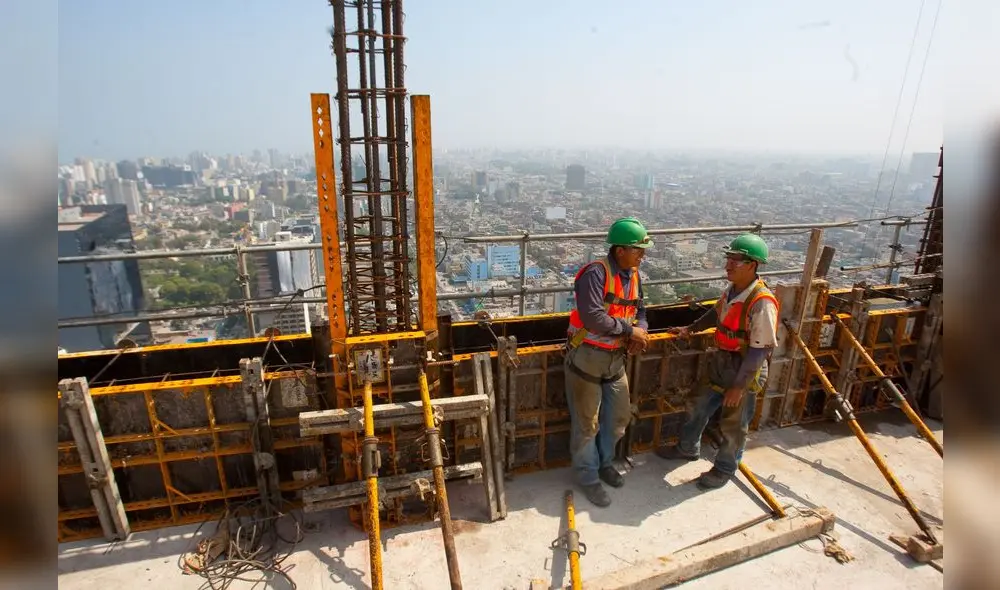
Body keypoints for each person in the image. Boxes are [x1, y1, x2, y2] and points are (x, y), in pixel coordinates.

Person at [655, 233, 779, 490]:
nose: (728, 265)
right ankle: (687, 447)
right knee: (697, 404)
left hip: (744, 367)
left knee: (734, 424)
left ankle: (724, 468)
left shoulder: (761, 302)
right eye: (729, 258)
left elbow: (760, 350)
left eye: (736, 260)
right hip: (722, 361)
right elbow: (717, 314)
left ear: (753, 265)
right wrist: (690, 329)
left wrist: (739, 387)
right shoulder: (733, 291)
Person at [564, 217, 651, 507]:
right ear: (620, 250)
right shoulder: (595, 274)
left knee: (617, 419)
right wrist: (629, 331)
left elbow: (641, 311)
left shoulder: (634, 275)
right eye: (638, 249)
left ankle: (604, 463)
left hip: (615, 360)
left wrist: (640, 331)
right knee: (586, 424)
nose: (642, 255)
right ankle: (588, 477)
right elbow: (592, 317)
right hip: (587, 358)